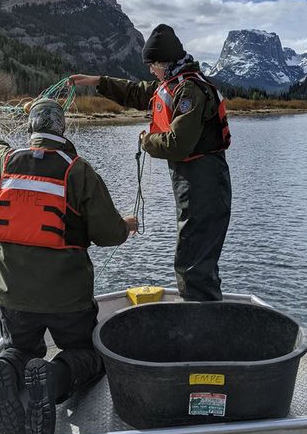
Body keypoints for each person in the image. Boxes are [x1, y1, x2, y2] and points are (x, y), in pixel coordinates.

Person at [0, 99, 138, 434]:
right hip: (66, 297)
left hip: (10, 291)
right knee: (86, 353)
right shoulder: (78, 170)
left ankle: (9, 364)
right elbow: (108, 234)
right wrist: (126, 225)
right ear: (62, 129)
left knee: (21, 347)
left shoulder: (6, 161)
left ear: (31, 129)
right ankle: (52, 379)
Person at [70, 23, 231, 302]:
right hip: (193, 181)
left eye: (153, 65)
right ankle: (202, 320)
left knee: (193, 265)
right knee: (192, 258)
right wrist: (98, 82)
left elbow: (177, 145)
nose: (151, 71)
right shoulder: (172, 84)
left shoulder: (189, 91)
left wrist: (146, 140)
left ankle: (203, 329)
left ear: (164, 62)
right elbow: (137, 92)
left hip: (205, 182)